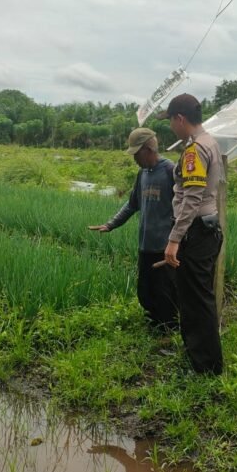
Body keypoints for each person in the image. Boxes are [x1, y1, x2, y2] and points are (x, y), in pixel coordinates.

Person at [88, 127, 178, 332]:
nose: (134, 159)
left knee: (166, 292)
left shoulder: (170, 171)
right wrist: (111, 224)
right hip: (145, 245)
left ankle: (168, 331)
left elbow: (184, 210)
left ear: (148, 149)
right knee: (145, 291)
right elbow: (132, 205)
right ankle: (153, 325)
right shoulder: (142, 174)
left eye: (136, 153)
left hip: (165, 248)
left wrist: (176, 242)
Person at [162, 94, 224, 375]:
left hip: (196, 232)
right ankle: (198, 357)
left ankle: (206, 367)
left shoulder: (194, 150)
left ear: (180, 119)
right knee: (197, 296)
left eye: (171, 122)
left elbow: (192, 198)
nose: (172, 128)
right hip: (207, 229)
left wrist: (174, 239)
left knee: (197, 300)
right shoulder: (210, 142)